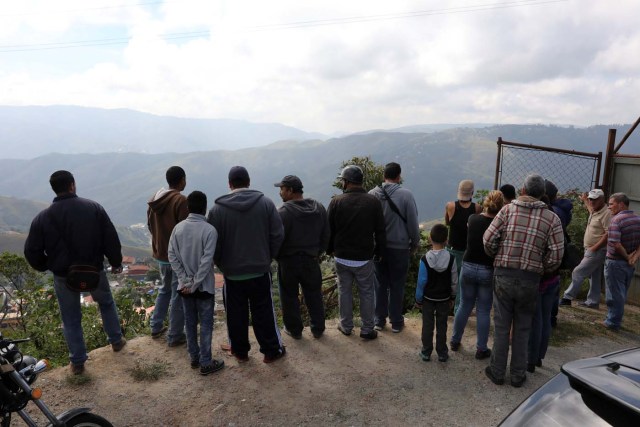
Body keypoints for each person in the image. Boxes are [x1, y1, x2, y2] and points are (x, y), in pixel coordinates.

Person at [24, 170, 126, 375]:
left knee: (70, 317)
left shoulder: (42, 218)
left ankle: (78, 362)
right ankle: (116, 341)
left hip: (63, 275)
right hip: (94, 271)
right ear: (72, 185)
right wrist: (116, 262)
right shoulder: (93, 208)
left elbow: (31, 251)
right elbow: (110, 238)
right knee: (105, 303)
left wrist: (48, 265)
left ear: (54, 188)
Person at [483, 174, 564, 388]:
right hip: (531, 279)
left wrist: (497, 257)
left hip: (504, 275)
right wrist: (541, 268)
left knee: (501, 326)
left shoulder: (507, 211)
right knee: (523, 327)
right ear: (542, 194)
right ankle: (518, 375)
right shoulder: (552, 218)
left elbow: (488, 239)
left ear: (523, 190)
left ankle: (497, 371)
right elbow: (557, 255)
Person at [207, 166, 286, 363]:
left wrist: (222, 264)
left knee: (235, 314)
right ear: (249, 182)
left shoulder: (217, 210)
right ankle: (271, 351)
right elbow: (278, 234)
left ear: (230, 184)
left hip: (232, 274)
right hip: (260, 270)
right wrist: (268, 257)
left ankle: (240, 352)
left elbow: (212, 243)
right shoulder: (266, 204)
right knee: (264, 311)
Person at [168, 191, 225, 376]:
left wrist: (185, 280)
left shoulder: (178, 229)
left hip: (184, 288)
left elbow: (172, 257)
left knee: (190, 322)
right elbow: (207, 261)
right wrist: (196, 282)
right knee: (206, 324)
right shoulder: (209, 230)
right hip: (205, 286)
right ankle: (206, 361)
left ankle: (194, 357)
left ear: (188, 207)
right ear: (205, 207)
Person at [327, 165, 386, 340]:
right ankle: (368, 329)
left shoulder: (336, 201)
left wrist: (330, 249)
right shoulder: (373, 202)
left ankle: (346, 326)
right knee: (367, 292)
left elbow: (329, 230)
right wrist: (380, 251)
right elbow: (380, 230)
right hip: (363, 257)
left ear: (346, 182)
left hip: (342, 256)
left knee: (344, 290)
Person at [450, 190, 504, 359]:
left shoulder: (473, 219)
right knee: (483, 310)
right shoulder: (500, 225)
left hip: (468, 265)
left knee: (465, 305)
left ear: (486, 202)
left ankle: (454, 340)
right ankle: (481, 348)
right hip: (487, 269)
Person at [273, 175, 329, 339]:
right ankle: (318, 328)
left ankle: (294, 330)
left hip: (288, 262)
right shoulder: (318, 207)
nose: (280, 193)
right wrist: (318, 253)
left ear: (290, 190)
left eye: (282, 189)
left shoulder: (283, 213)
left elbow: (276, 239)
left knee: (289, 296)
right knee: (314, 294)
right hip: (311, 259)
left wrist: (278, 257)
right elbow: (326, 234)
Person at [369, 162, 420, 333]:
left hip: (378, 249)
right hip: (399, 248)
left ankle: (379, 321)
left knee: (380, 284)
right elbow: (413, 223)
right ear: (399, 176)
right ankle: (396, 322)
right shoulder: (406, 195)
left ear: (384, 176)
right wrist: (415, 243)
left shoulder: (372, 194)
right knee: (397, 284)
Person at [148, 166, 189, 346]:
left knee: (164, 290)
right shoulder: (180, 201)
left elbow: (150, 226)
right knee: (178, 294)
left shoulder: (155, 199)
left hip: (160, 255)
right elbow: (185, 231)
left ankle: (155, 326)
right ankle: (175, 334)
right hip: (176, 256)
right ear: (181, 180)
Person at [527, 185, 566, 373]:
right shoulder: (557, 218)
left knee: (535, 319)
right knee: (545, 317)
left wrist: (540, 269)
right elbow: (558, 252)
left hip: (540, 278)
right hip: (553, 277)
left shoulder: (541, 221)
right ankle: (539, 356)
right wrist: (550, 268)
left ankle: (531, 359)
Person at [560, 188, 610, 308]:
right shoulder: (596, 210)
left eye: (595, 200)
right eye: (590, 199)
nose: (592, 202)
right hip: (592, 249)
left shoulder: (607, 213)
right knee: (594, 276)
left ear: (602, 199)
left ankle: (567, 297)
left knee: (578, 271)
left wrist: (594, 248)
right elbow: (591, 209)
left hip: (596, 250)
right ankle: (593, 301)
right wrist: (585, 201)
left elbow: (609, 233)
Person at [415, 224, 457, 363]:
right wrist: (453, 296)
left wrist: (418, 299)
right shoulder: (451, 259)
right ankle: (442, 353)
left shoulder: (424, 260)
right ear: (446, 240)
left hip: (428, 298)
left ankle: (426, 351)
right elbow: (454, 280)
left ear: (430, 239)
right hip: (444, 298)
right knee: (442, 325)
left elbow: (421, 282)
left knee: (427, 325)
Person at [603, 193, 640, 331]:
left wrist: (628, 257)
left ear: (621, 204)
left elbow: (616, 244)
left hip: (615, 262)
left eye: (611, 204)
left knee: (615, 294)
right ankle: (613, 318)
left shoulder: (616, 220)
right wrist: (634, 258)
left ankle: (612, 322)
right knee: (621, 292)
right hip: (629, 265)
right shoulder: (637, 219)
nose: (609, 207)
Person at [445, 180, 482, 314]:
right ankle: (458, 310)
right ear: (472, 193)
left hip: (452, 249)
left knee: (448, 278)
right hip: (467, 250)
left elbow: (448, 222)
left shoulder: (450, 206)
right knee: (462, 282)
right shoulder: (477, 208)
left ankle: (444, 307)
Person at [544, 180, 572, 327]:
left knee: (550, 285)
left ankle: (549, 318)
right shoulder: (563, 209)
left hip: (552, 251)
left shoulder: (553, 212)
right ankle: (552, 318)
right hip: (561, 249)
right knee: (554, 283)